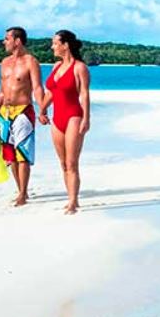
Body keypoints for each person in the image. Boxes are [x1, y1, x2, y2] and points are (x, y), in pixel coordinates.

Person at [39, 30, 90, 215]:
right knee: (62, 163)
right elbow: (51, 92)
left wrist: (86, 118)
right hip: (57, 118)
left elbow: (84, 94)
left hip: (74, 116)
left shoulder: (79, 67)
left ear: (65, 45)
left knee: (71, 162)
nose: (52, 46)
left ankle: (73, 202)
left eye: (55, 43)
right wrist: (43, 110)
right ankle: (70, 197)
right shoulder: (55, 66)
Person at [0, 27, 45, 207]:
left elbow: (38, 88)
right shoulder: (4, 62)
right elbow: (2, 91)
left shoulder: (31, 61)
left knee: (22, 153)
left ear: (17, 41)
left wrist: (43, 110)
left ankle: (23, 193)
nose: (4, 41)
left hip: (23, 111)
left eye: (7, 38)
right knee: (10, 155)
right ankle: (20, 190)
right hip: (4, 113)